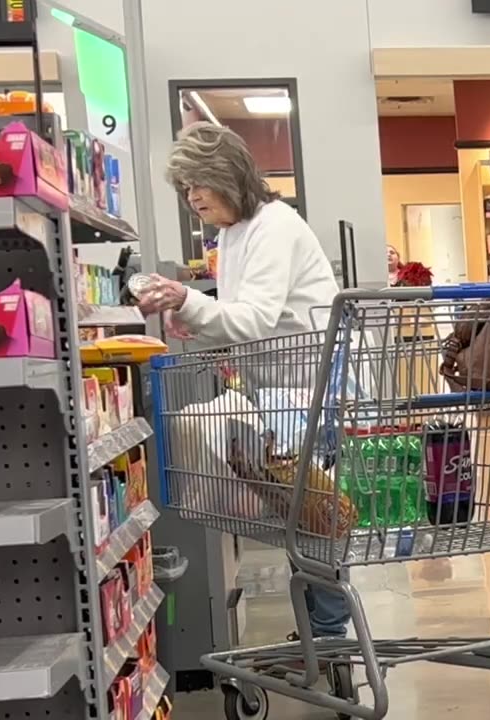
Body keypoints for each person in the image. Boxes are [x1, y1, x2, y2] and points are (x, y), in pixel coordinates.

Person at [135, 122, 351, 643]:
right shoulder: (232, 234)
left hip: (309, 386)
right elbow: (243, 316)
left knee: (311, 516)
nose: (191, 195)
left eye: (198, 182)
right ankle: (321, 628)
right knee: (299, 512)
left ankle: (328, 631)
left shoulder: (274, 225)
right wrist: (196, 317)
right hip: (282, 388)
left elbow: (253, 318)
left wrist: (188, 301)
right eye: (184, 186)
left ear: (228, 176)